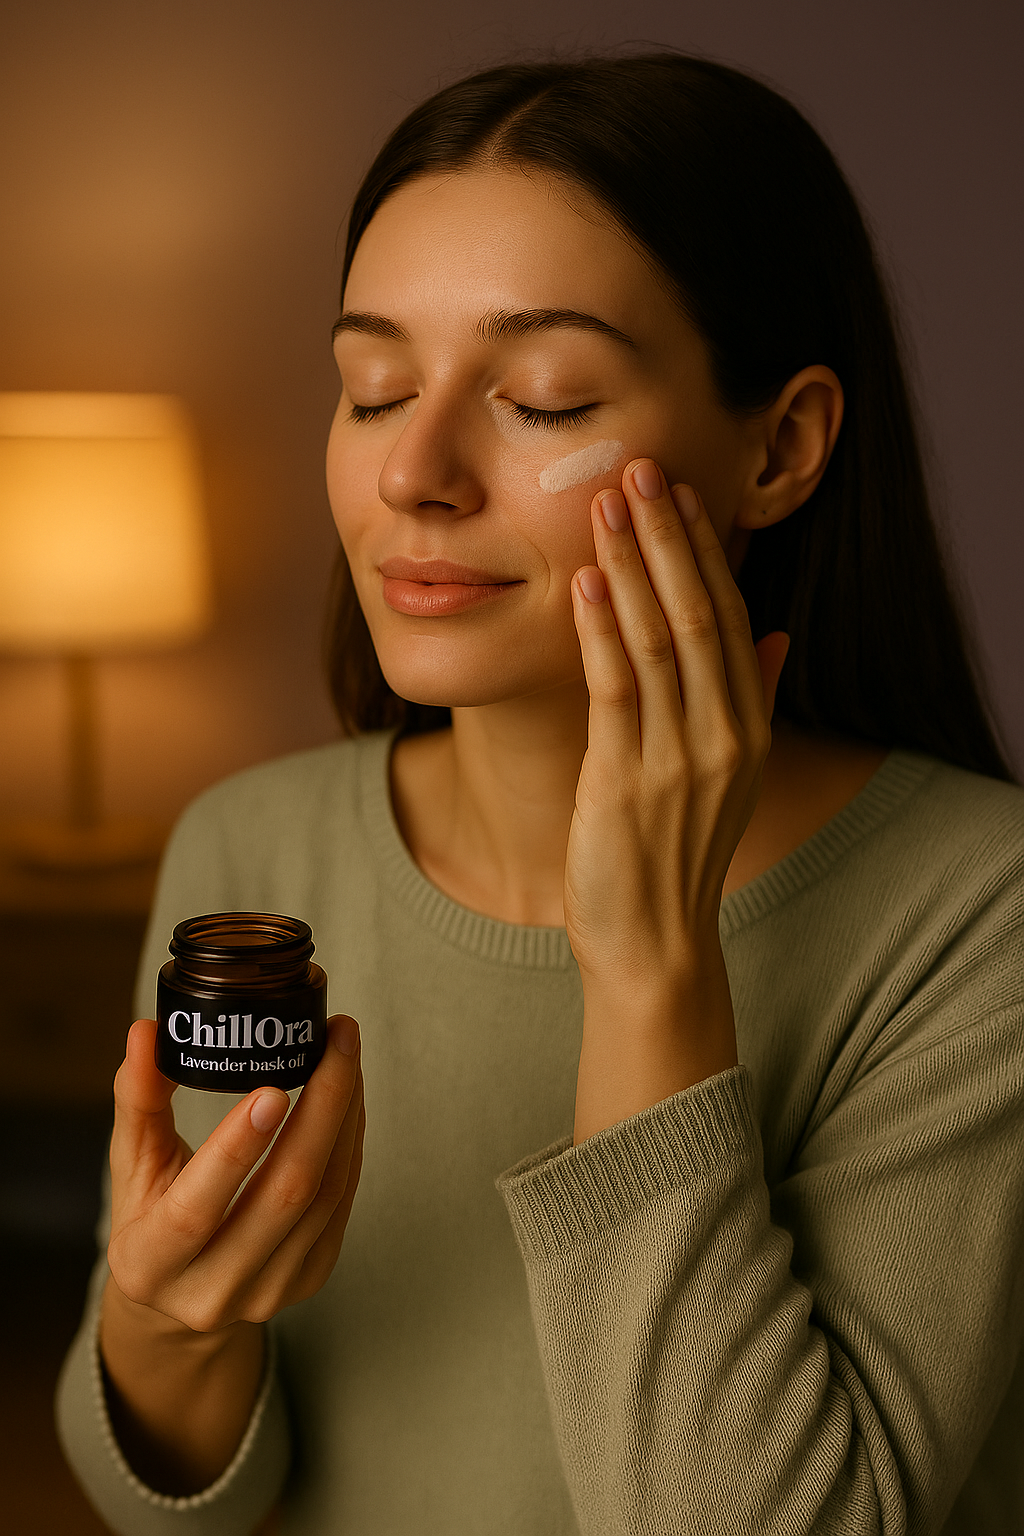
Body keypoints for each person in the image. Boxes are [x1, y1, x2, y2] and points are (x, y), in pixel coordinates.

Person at [57, 51, 1024, 1536]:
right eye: (373, 388)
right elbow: (166, 1497)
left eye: (544, 396)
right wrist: (174, 1324)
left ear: (781, 447)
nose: (417, 472)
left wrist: (649, 966)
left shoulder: (980, 911)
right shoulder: (253, 849)